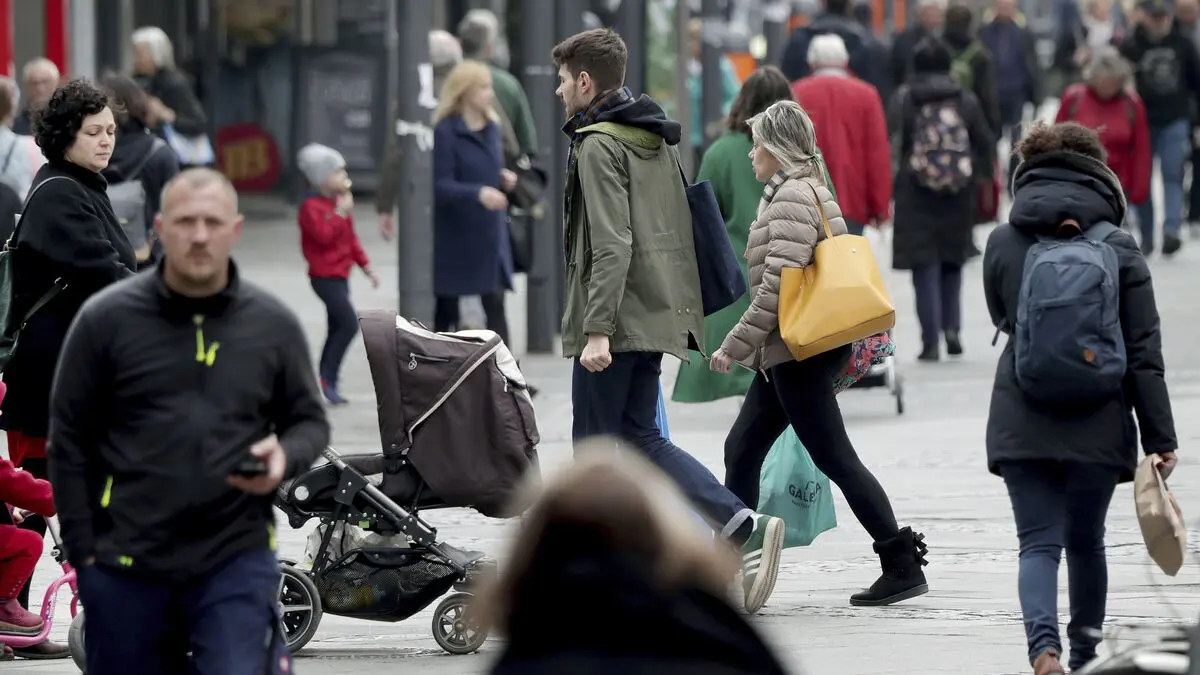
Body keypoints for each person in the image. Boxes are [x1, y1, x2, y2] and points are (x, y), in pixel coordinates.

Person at [48, 168, 330, 674]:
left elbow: (310, 422)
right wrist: (84, 555)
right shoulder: (106, 320)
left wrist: (285, 455)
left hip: (234, 560)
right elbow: (68, 441)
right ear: (159, 228)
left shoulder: (271, 324)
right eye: (185, 222)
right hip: (127, 564)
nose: (199, 235)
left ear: (235, 230)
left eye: (212, 222)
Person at [554, 27, 784, 615]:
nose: (559, 91)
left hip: (616, 320)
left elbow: (612, 243)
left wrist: (597, 329)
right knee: (642, 438)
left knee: (594, 452)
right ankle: (741, 524)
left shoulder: (597, 144)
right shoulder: (653, 135)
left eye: (563, 80)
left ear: (586, 82)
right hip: (654, 313)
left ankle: (597, 578)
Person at [709, 99, 928, 608]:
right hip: (791, 351)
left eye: (757, 144)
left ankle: (901, 562)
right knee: (742, 449)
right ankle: (727, 565)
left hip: (798, 353)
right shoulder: (805, 188)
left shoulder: (791, 197)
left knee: (835, 458)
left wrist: (732, 346)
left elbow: (775, 291)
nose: (751, 154)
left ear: (777, 148)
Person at [982, 122, 1178, 675]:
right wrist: (1160, 438)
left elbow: (1002, 315)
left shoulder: (1003, 241)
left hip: (1022, 414)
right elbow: (1143, 352)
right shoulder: (1119, 246)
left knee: (1037, 544)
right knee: (1087, 542)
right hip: (1100, 417)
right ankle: (1088, 657)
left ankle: (1044, 652)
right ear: (1098, 173)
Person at [0, 78, 135, 661]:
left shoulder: (82, 186)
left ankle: (15, 613)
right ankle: (14, 612)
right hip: (48, 380)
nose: (106, 141)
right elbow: (102, 272)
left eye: (111, 131)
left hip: (72, 375)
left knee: (45, 493)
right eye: (94, 132)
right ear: (64, 136)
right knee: (39, 492)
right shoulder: (59, 192)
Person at [482, 447, 790, 675]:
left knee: (606, 433)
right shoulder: (729, 643)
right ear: (665, 541)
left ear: (534, 554)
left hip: (612, 362)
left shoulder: (523, 660)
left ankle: (743, 524)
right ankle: (743, 524)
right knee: (639, 433)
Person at [672, 66, 794, 404]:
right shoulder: (803, 153)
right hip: (794, 275)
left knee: (749, 373)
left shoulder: (720, 153)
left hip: (739, 279)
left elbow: (703, 220)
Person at [888, 37, 995, 361]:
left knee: (925, 266)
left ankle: (930, 341)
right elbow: (986, 142)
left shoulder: (905, 99)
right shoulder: (965, 100)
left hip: (915, 192)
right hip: (958, 192)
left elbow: (893, 143)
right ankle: (953, 330)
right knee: (952, 260)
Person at [432, 60, 516, 343]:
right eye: (483, 87)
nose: (490, 93)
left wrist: (502, 178)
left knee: (496, 306)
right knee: (447, 311)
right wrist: (479, 193)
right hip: (457, 235)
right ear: (465, 91)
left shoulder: (492, 127)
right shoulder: (446, 131)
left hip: (490, 233)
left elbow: (485, 167)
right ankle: (441, 365)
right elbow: (440, 185)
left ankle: (505, 368)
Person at [296, 143, 380, 405]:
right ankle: (326, 378)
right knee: (348, 324)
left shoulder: (337, 204)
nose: (345, 176)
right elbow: (323, 236)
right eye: (338, 172)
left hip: (341, 276)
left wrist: (366, 267)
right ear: (322, 178)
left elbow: (350, 239)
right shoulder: (311, 207)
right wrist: (340, 212)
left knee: (336, 327)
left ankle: (327, 380)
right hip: (324, 278)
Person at [1120, 0, 1200, 256]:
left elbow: (1196, 83)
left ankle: (1171, 231)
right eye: (1154, 16)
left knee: (1173, 174)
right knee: (1142, 178)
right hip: (1142, 122)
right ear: (1144, 16)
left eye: (1163, 16)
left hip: (1175, 118)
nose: (1159, 21)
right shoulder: (1131, 44)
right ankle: (1147, 235)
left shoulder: (1183, 43)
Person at [791, 34, 892, 237]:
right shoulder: (867, 95)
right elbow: (877, 153)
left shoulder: (796, 93)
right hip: (852, 201)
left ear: (812, 62)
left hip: (806, 199)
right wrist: (880, 206)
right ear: (845, 61)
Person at [377, 30, 463, 242]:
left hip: (423, 192)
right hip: (467, 189)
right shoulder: (470, 91)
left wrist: (385, 205)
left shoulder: (411, 97)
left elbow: (396, 152)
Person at [1055, 47, 1151, 221]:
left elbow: (1141, 149)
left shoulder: (1132, 105)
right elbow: (1055, 142)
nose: (1107, 88)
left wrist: (1140, 189)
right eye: (1103, 82)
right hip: (1076, 184)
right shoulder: (1074, 98)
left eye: (1112, 83)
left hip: (1117, 187)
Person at [100, 73, 180, 267]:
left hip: (100, 260)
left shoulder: (93, 151)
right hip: (147, 260)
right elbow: (176, 212)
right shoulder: (160, 153)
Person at [979, 0, 1045, 191]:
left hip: (1017, 92)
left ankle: (1012, 182)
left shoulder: (1023, 33)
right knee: (991, 137)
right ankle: (992, 180)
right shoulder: (984, 32)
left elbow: (1032, 63)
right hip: (992, 95)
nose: (1005, 9)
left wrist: (1036, 93)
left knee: (1016, 139)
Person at [131, 26, 208, 167]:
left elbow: (198, 123)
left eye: (140, 54)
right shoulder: (136, 81)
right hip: (147, 157)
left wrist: (165, 114)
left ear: (156, 54)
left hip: (176, 160)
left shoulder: (173, 82)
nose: (135, 59)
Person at [781, 0, 886, 98]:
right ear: (849, 5)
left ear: (823, 2)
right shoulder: (863, 42)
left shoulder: (801, 38)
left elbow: (786, 79)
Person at [688, 17, 742, 161]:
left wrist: (724, 114)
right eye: (691, 39)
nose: (693, 44)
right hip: (687, 137)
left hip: (711, 135)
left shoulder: (722, 66)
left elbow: (735, 95)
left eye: (697, 39)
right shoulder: (684, 66)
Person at [890, 0, 946, 89]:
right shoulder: (905, 40)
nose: (934, 20)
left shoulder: (943, 39)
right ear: (921, 17)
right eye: (930, 16)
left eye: (937, 16)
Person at [12, 58, 59, 136]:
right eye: (34, 83)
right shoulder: (15, 126)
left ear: (55, 83)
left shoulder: (68, 121)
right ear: (27, 85)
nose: (40, 88)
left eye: (45, 82)